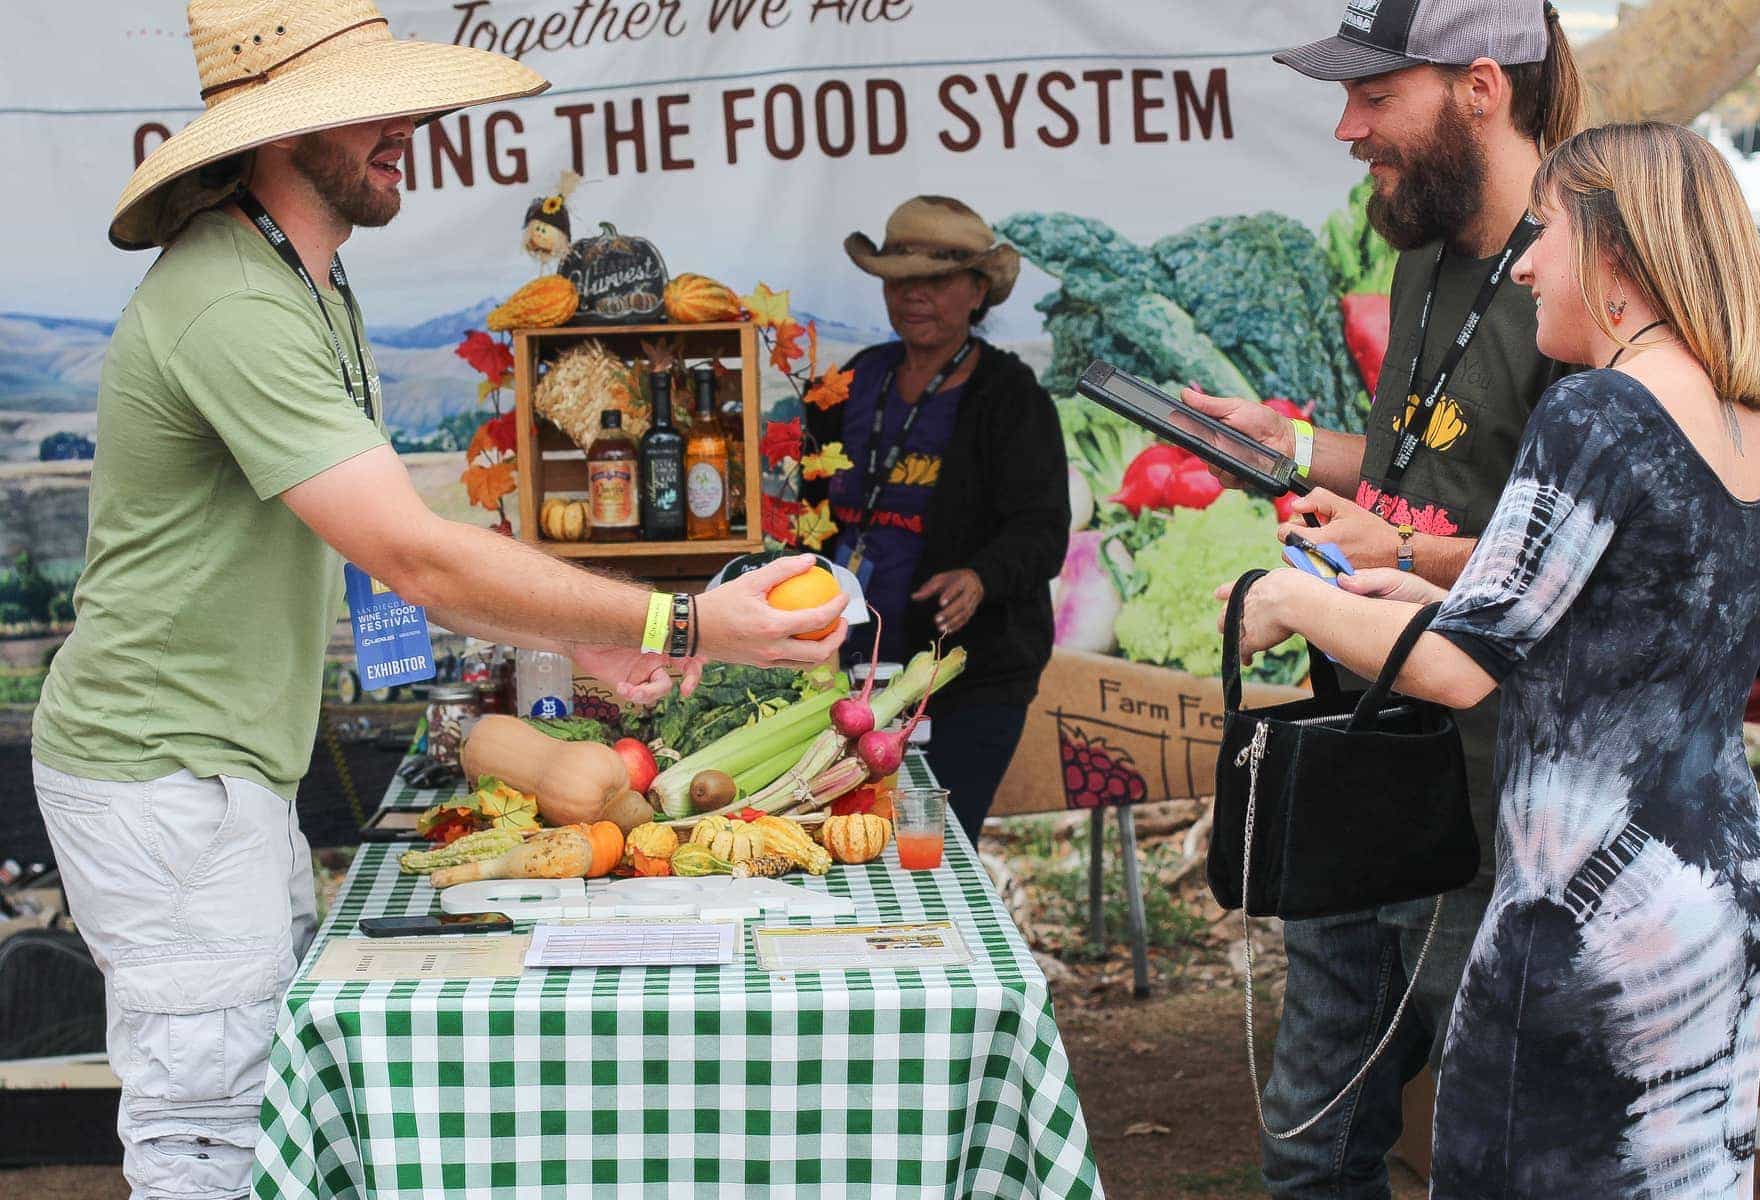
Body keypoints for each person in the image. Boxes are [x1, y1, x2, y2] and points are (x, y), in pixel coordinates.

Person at [30, 4, 844, 1197]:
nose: (408, 124)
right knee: (210, 1129)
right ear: (283, 129)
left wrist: (589, 642)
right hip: (163, 774)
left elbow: (378, 545)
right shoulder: (236, 303)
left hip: (209, 770)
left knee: (260, 1105)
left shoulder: (304, 281)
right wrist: (684, 624)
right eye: (374, 102)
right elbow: (415, 555)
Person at [1223, 119, 1760, 1196]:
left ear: (1611, 251)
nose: (1523, 263)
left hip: (1585, 902)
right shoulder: (1741, 409)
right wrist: (1427, 587)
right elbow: (1640, 619)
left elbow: (1458, 669)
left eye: (1547, 233)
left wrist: (1284, 595)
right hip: (1715, 890)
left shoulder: (1596, 409)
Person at [1184, 1, 1585, 1193]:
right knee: (1311, 1140)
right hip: (1361, 745)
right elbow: (1425, 471)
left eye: (1373, 95)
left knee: (1485, 1149)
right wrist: (1290, 446)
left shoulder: (1581, 277)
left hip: (1492, 792)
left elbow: (1579, 550)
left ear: (1477, 87)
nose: (1347, 126)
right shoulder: (1420, 255)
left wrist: (1404, 562)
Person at [798, 196, 1069, 844]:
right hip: (845, 666)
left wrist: (979, 576)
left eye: (936, 280)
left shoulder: (1010, 397)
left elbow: (1042, 528)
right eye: (900, 280)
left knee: (933, 839)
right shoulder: (849, 382)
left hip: (966, 675)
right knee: (842, 838)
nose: (914, 296)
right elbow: (805, 499)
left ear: (978, 292)